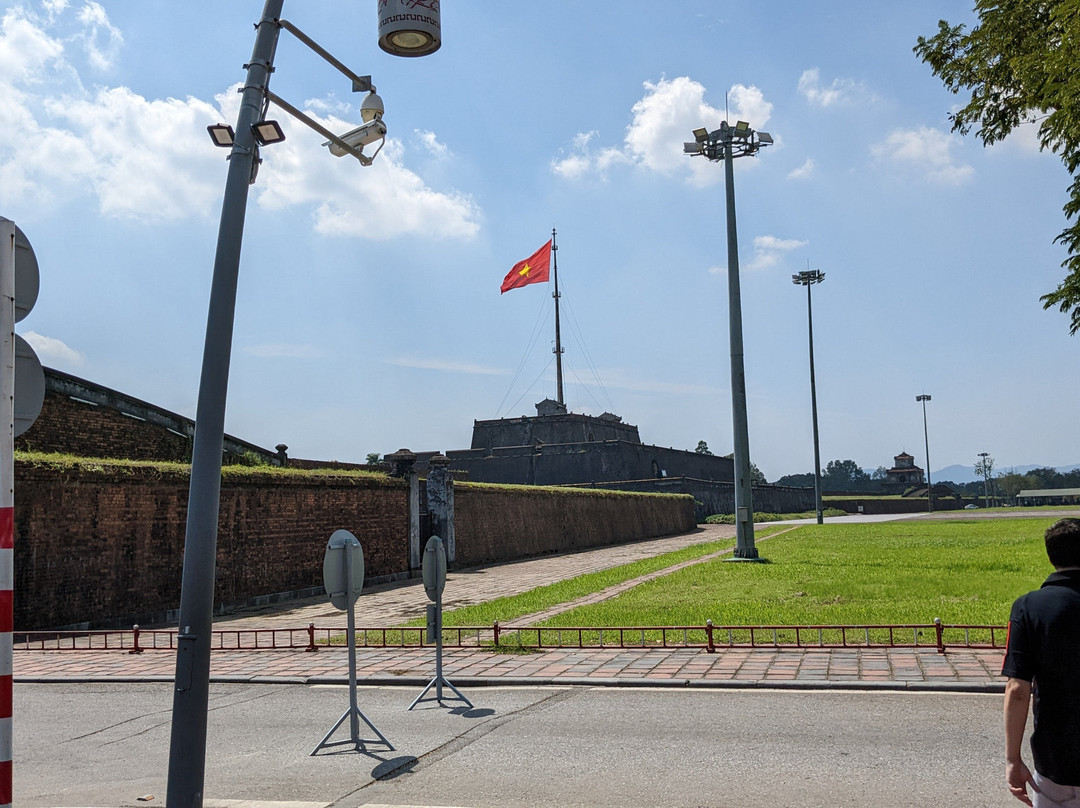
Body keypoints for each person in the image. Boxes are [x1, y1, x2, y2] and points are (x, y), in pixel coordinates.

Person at [1002, 517, 1080, 806]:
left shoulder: (1029, 607)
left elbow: (1018, 690)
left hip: (1056, 760)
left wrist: (1012, 759)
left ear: (1051, 557)